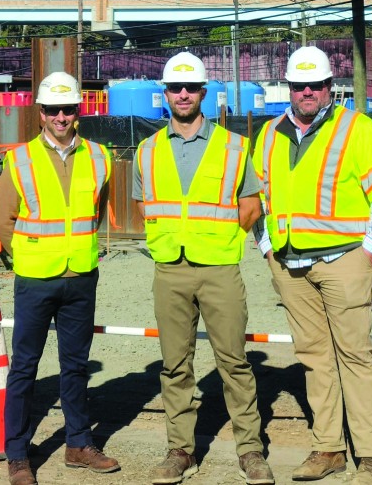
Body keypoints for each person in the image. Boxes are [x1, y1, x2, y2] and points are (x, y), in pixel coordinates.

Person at [252, 47, 372, 485]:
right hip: (290, 265)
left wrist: (369, 254)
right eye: (298, 85)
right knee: (315, 360)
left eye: (315, 85)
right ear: (288, 87)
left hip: (344, 261)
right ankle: (328, 449)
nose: (306, 93)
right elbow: (257, 201)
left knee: (355, 358)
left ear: (329, 87)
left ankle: (371, 458)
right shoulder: (269, 134)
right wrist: (266, 250)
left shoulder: (355, 128)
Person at [132, 53, 274, 485]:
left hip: (219, 269)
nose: (183, 94)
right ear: (165, 93)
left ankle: (250, 451)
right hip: (170, 268)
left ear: (203, 93)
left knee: (233, 362)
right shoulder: (148, 149)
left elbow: (251, 205)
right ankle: (180, 451)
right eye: (176, 87)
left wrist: (219, 237)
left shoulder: (232, 145)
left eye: (190, 88)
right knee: (175, 366)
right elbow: (145, 206)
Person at [0, 71, 119, 485]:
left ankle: (78, 444)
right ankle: (17, 455)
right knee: (25, 367)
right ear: (40, 113)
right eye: (53, 110)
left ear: (77, 112)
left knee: (75, 366)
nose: (61, 117)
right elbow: (3, 221)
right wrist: (30, 255)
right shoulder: (20, 159)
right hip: (35, 278)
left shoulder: (98, 157)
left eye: (68, 109)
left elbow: (95, 214)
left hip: (81, 275)